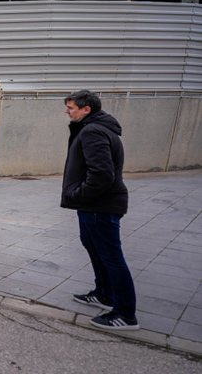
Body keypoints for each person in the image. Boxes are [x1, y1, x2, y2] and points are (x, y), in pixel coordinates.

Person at [62, 90, 139, 331]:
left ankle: (125, 314)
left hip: (99, 206)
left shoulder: (93, 131)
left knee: (111, 257)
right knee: (94, 248)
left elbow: (102, 174)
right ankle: (104, 294)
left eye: (71, 108)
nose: (67, 111)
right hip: (93, 205)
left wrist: (78, 194)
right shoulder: (94, 128)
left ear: (87, 109)